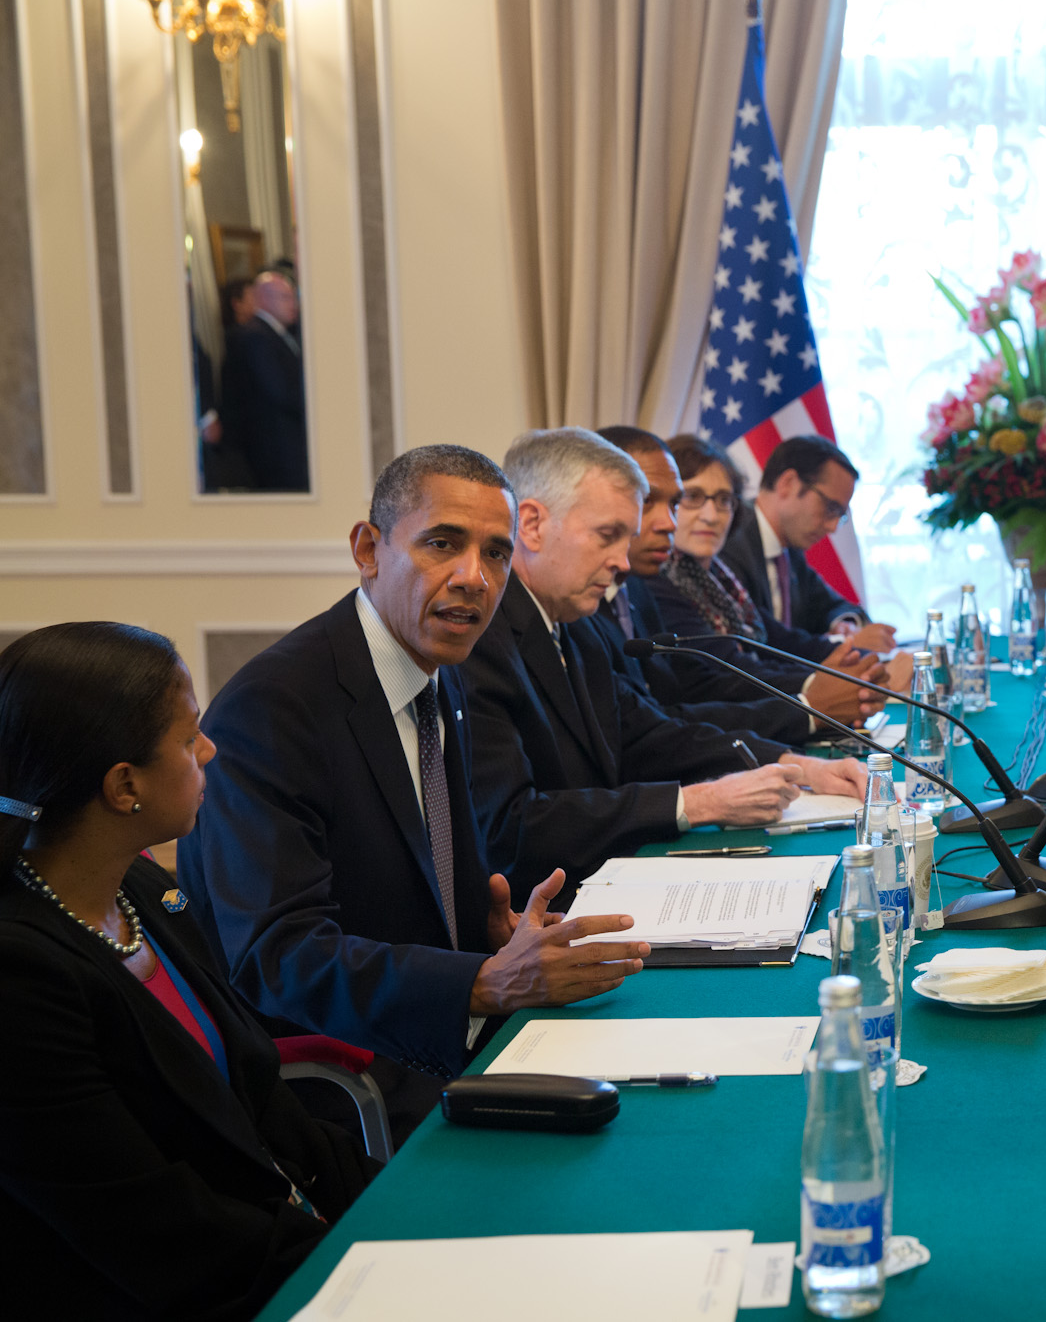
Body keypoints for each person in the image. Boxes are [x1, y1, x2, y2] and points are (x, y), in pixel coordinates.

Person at [183, 445, 651, 1136]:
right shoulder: (274, 708)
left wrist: (494, 935)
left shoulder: (437, 672)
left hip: (443, 1038)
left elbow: (417, 886)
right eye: (442, 544)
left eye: (496, 554)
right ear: (368, 549)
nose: (475, 578)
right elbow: (275, 957)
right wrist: (480, 981)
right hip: (347, 1081)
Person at [0, 623, 378, 1318]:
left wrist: (384, 1207)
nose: (209, 749)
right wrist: (339, 1258)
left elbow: (260, 1098)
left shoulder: (143, 892)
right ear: (124, 785)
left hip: (271, 1249)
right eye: (190, 735)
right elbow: (148, 1226)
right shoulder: (21, 976)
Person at [462, 429, 866, 898]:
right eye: (608, 536)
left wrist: (795, 765)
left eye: (625, 539)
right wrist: (695, 802)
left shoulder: (573, 622)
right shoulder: (480, 640)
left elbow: (649, 733)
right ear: (530, 525)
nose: (623, 564)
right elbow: (514, 825)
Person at [590, 427, 883, 741]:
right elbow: (714, 677)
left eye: (723, 501)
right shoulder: (651, 581)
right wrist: (814, 694)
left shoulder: (715, 575)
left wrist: (840, 666)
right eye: (693, 498)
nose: (711, 515)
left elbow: (773, 640)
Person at [720, 434, 877, 638]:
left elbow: (833, 606)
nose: (832, 527)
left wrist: (845, 625)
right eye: (831, 508)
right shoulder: (730, 538)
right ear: (789, 484)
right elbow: (764, 642)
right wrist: (836, 645)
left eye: (840, 516)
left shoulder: (789, 552)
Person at [217, 270, 308, 493]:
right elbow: (280, 391)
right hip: (276, 450)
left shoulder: (278, 333)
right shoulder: (255, 336)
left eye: (293, 297)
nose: (293, 304)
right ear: (265, 299)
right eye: (285, 297)